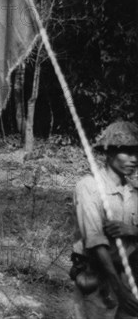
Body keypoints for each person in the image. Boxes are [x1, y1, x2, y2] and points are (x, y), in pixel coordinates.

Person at [71, 121, 138, 319]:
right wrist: (119, 290)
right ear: (108, 153)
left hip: (129, 279)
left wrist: (132, 231)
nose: (134, 159)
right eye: (126, 152)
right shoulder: (89, 187)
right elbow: (95, 243)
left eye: (137, 152)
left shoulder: (133, 192)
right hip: (98, 280)